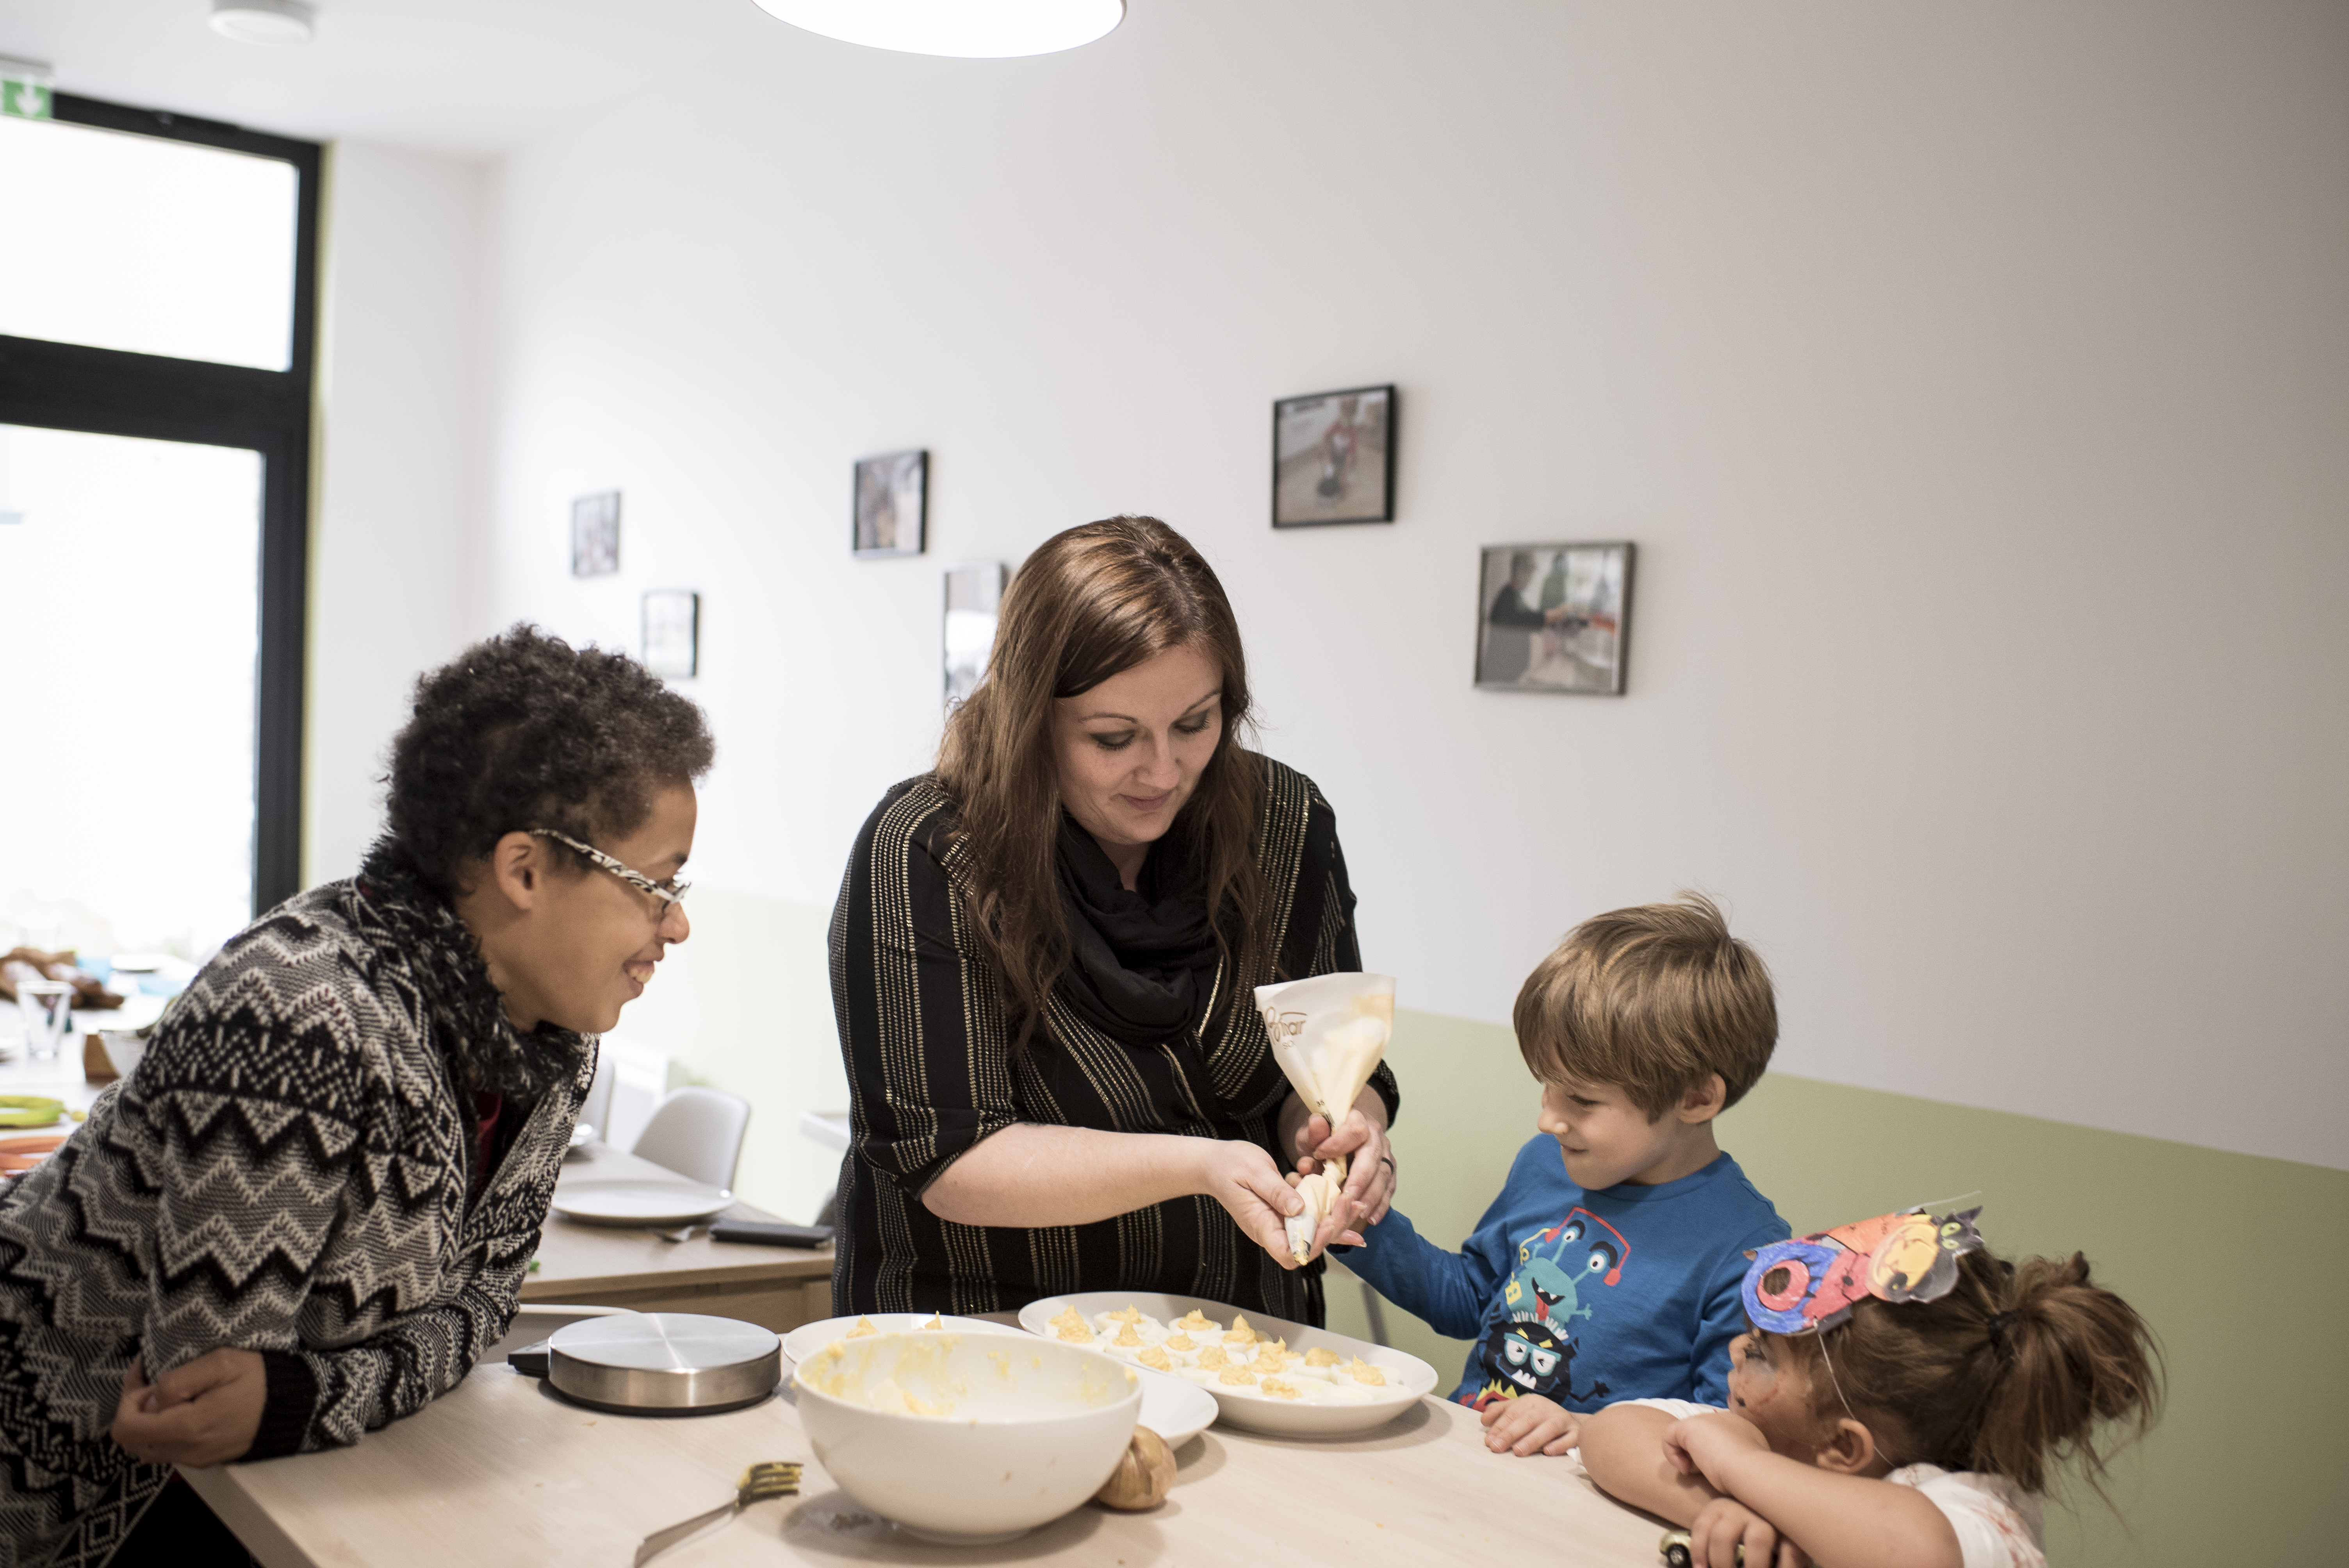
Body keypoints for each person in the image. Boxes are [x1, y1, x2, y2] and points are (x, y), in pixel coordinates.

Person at [0, 626, 712, 1567]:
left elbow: (481, 1308)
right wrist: (327, 1384)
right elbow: (204, 1406)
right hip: (71, 1510)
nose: (678, 923)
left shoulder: (545, 1039)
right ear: (526, 869)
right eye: (655, 885)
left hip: (276, 1490)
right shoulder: (302, 1011)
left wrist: (310, 1389)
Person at [830, 515, 1399, 1326]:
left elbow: (1327, 1060)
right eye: (1112, 737)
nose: (1162, 770)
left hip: (1235, 1332)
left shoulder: (1284, 826)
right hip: (979, 1333)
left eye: (1194, 724)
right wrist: (1199, 1165)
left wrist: (1343, 1130)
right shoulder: (929, 850)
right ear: (1030, 719)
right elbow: (949, 1155)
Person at [1338, 894, 1788, 1455]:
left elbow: (1725, 1439)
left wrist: (1589, 1435)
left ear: (1696, 1097)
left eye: (1580, 1099)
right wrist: (1357, 1218)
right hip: (1468, 1461)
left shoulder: (1752, 1257)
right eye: (1547, 1086)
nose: (1548, 1119)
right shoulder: (1545, 1163)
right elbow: (1472, 1300)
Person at [1577, 1216, 2162, 1568]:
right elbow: (1612, 1433)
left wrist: (1738, 1466)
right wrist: (1748, 1510)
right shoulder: (1778, 1437)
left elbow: (1916, 1548)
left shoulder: (1981, 1516)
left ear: (1844, 1446)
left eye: (1759, 1354)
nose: (1733, 1350)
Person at [1483, 551, 1586, 683]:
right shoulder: (1508, 597)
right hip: (1499, 676)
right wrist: (1564, 610)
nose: (1531, 579)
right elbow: (1532, 617)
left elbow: (1531, 618)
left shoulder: (1516, 596)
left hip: (1508, 675)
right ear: (1520, 572)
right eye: (1530, 573)